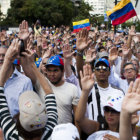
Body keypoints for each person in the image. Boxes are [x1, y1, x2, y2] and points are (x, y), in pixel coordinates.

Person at [0, 38, 58, 140]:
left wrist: (8, 60)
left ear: (19, 121)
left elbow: (49, 94)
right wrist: (32, 65)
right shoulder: (49, 132)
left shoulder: (11, 135)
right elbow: (49, 92)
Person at [75, 64, 123, 140]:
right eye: (107, 109)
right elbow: (79, 119)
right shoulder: (97, 127)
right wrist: (85, 91)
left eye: (114, 111)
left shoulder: (129, 132)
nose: (110, 114)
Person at [0, 41, 33, 117]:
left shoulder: (25, 82)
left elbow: (28, 111)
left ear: (12, 57)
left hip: (15, 127)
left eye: (4, 55)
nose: (1, 58)